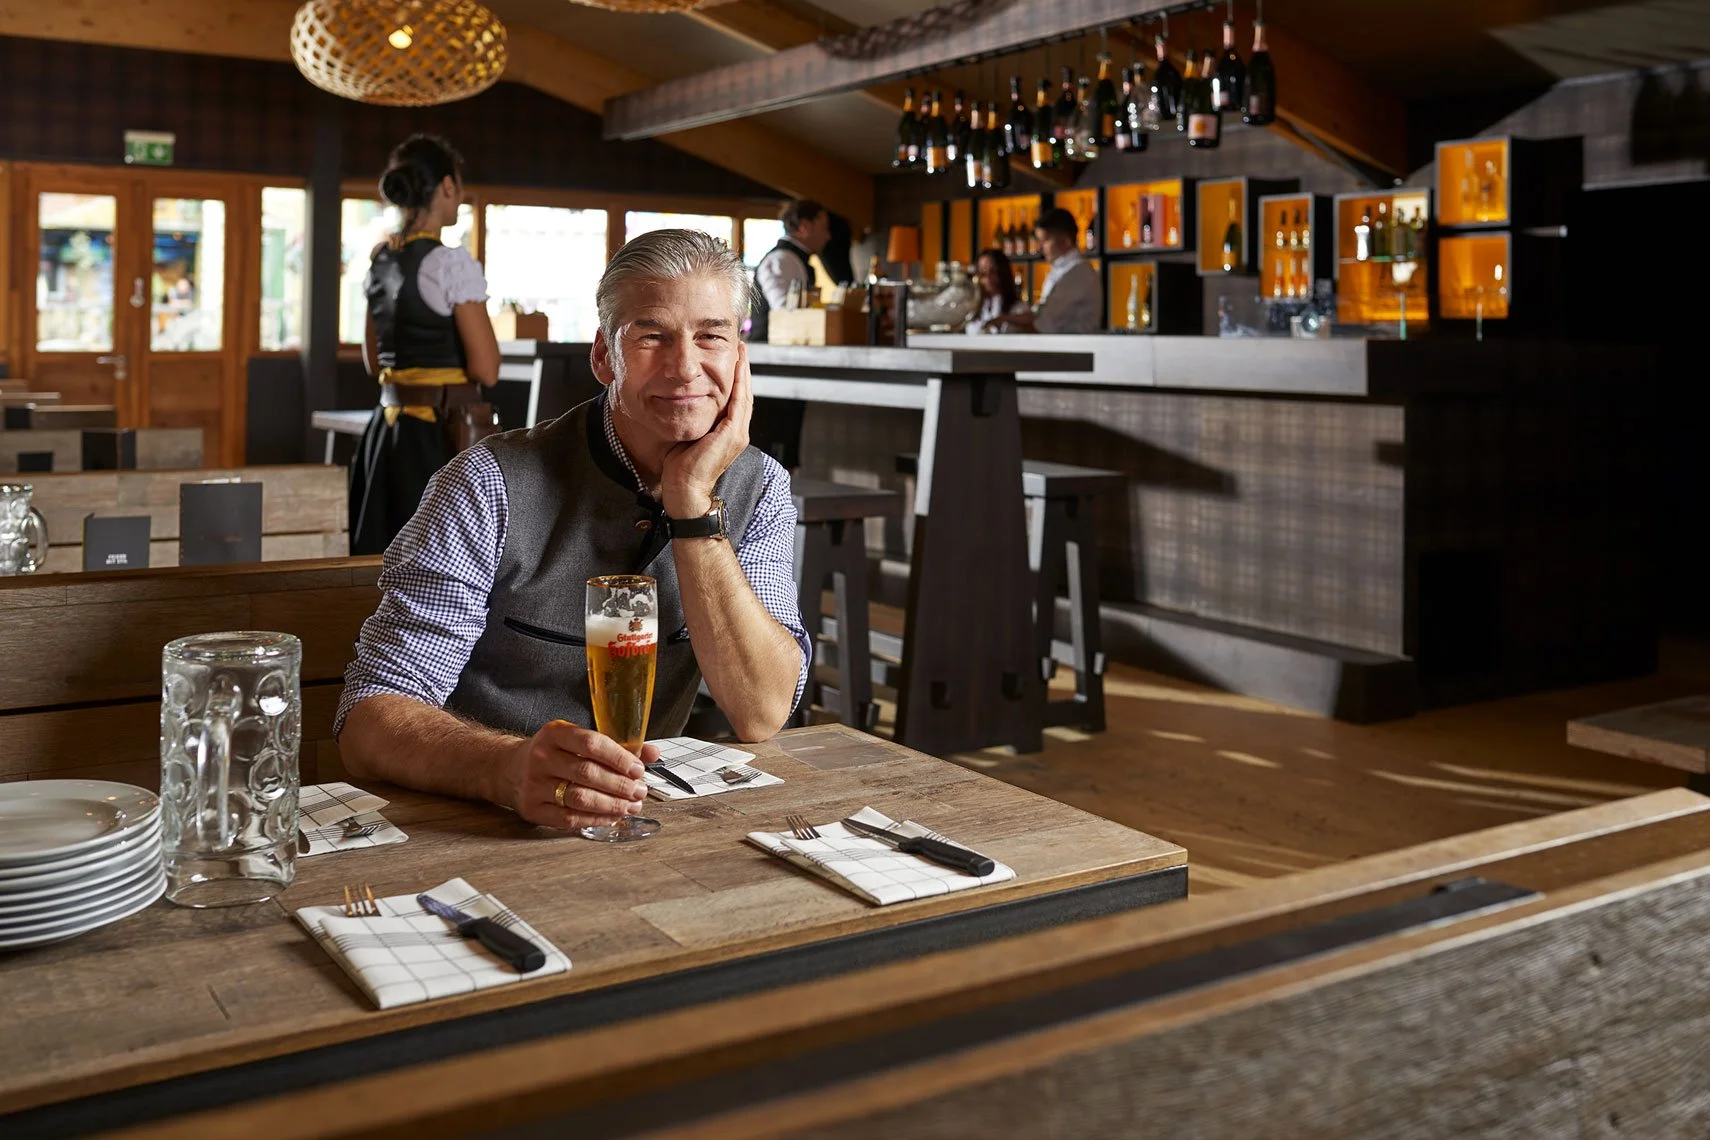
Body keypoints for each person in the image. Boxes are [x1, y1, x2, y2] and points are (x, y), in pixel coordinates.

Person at [336, 229, 812, 834]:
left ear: (738, 361)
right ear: (603, 356)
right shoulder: (488, 485)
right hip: (476, 824)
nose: (685, 367)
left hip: (643, 827)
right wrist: (504, 768)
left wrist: (692, 507)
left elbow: (761, 712)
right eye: (651, 337)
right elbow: (367, 719)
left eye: (711, 337)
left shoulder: (760, 486)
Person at [348, 134, 501, 556]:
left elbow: (373, 360)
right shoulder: (450, 263)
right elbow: (487, 369)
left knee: (379, 556)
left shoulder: (379, 259)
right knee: (436, 557)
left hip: (385, 429)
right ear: (447, 186)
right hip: (438, 434)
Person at [997, 207, 1101, 334]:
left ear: (1065, 241)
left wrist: (1006, 325)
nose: (1039, 247)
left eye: (1044, 240)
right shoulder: (1062, 269)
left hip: (1072, 349)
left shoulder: (1078, 272)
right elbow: (1040, 314)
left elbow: (1043, 322)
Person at [748, 198, 831, 343]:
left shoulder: (791, 258)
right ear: (805, 227)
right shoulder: (782, 259)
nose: (828, 236)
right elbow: (785, 313)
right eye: (823, 227)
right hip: (771, 357)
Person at [965, 247, 1029, 335]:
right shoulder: (973, 308)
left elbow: (1032, 320)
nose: (988, 278)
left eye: (993, 271)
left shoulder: (1018, 308)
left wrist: (1004, 318)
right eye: (983, 273)